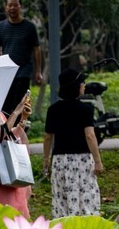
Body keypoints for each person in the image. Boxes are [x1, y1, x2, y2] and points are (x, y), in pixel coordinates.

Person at [42, 68, 103, 218]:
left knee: (62, 199)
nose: (84, 85)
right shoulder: (86, 109)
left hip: (60, 161)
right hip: (82, 160)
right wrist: (98, 161)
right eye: (82, 82)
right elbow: (90, 135)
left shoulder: (53, 109)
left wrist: (46, 159)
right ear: (75, 86)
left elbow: (48, 137)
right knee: (86, 198)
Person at [0, 0, 44, 115]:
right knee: (5, 105)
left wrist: (38, 71)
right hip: (6, 71)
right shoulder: (1, 27)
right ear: (6, 7)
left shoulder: (29, 27)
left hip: (23, 70)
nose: (12, 8)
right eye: (10, 5)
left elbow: (36, 49)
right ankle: (6, 131)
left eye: (15, 5)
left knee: (21, 102)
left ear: (20, 7)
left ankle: (20, 129)